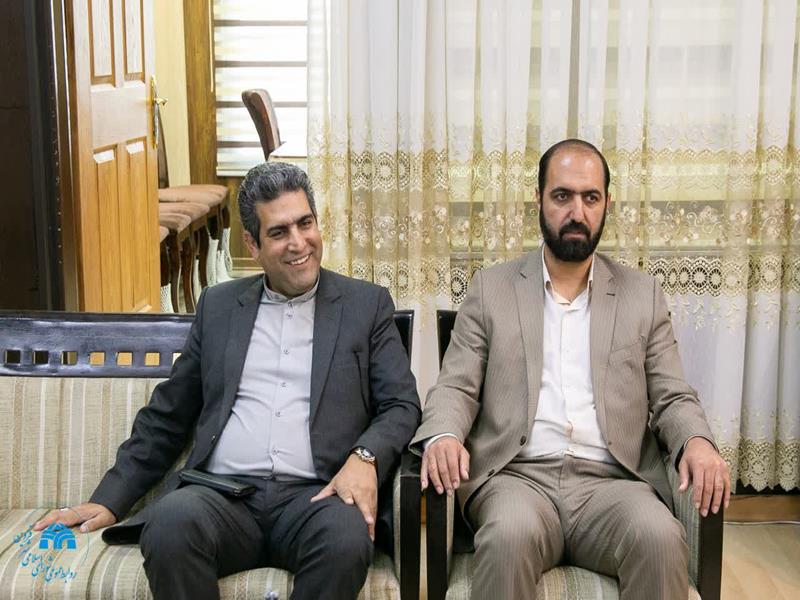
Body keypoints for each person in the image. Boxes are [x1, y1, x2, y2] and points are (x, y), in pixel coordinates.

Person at [34, 162, 421, 600]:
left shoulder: (365, 305)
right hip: (223, 497)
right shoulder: (219, 307)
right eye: (279, 232)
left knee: (346, 542)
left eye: (305, 223)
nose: (298, 243)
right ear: (252, 245)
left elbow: (402, 404)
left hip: (318, 498)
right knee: (169, 526)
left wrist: (364, 457)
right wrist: (109, 499)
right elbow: (169, 414)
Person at [412, 139, 730, 599]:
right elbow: (455, 386)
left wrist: (696, 441)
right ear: (539, 200)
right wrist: (443, 435)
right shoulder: (492, 289)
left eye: (590, 197)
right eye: (562, 196)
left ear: (606, 205)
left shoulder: (642, 295)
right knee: (507, 538)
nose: (576, 211)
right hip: (518, 479)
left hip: (614, 485)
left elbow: (672, 394)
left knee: (659, 538)